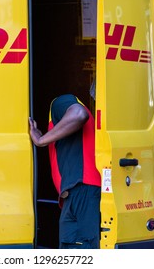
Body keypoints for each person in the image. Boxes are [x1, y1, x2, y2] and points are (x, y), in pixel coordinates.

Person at [29, 94, 101, 249]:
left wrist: (40, 141)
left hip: (83, 190)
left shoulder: (59, 102)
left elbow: (78, 114)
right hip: (75, 195)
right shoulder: (59, 126)